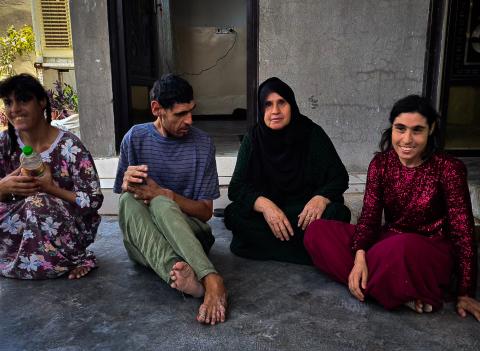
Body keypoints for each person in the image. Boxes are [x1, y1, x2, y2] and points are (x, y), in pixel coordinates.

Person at [304, 95, 480, 320]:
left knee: (400, 247)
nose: (407, 139)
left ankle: (378, 285)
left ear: (431, 129)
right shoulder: (381, 164)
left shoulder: (449, 169)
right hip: (388, 242)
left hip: (427, 249)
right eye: (400, 128)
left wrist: (466, 291)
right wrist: (359, 257)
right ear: (392, 128)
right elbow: (368, 218)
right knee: (318, 232)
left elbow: (463, 233)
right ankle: (392, 289)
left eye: (417, 130)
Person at [114, 74, 227, 325]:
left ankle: (209, 278)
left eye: (191, 111)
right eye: (180, 114)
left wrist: (166, 195)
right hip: (147, 238)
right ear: (157, 109)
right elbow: (129, 208)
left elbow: (206, 212)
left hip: (192, 234)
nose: (189, 120)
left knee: (162, 203)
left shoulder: (202, 144)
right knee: (127, 201)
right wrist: (126, 185)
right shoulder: (134, 138)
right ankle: (184, 274)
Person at [224, 77, 351, 265]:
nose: (275, 111)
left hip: (304, 213)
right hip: (270, 215)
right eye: (268, 105)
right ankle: (310, 250)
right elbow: (236, 188)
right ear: (261, 109)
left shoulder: (311, 133)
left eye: (281, 103)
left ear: (291, 105)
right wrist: (265, 205)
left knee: (337, 213)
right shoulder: (253, 139)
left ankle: (264, 247)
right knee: (233, 213)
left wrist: (321, 198)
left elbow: (339, 177)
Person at [0, 74, 103, 280]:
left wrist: (51, 189)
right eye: (8, 102)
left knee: (38, 203)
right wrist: (2, 188)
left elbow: (93, 200)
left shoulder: (70, 147)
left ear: (42, 101)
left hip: (64, 227)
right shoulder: (5, 142)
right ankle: (16, 259)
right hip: (15, 227)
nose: (14, 109)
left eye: (23, 99)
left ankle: (70, 258)